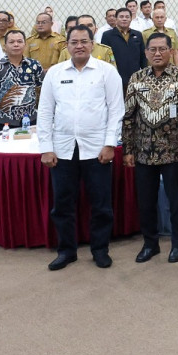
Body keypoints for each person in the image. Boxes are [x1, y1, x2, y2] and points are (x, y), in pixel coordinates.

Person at [37, 25, 124, 271]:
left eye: (84, 41)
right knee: (63, 204)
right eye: (74, 42)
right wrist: (46, 147)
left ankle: (100, 250)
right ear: (66, 45)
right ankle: (66, 251)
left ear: (92, 44)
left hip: (97, 149)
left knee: (101, 204)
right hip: (63, 149)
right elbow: (44, 112)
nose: (79, 46)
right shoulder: (54, 73)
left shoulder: (107, 72)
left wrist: (110, 144)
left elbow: (116, 111)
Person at [122, 32, 178, 264]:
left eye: (163, 49)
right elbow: (129, 116)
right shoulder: (137, 78)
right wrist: (129, 150)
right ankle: (150, 244)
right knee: (146, 201)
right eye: (153, 49)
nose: (157, 53)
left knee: (176, 201)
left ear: (172, 51)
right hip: (143, 152)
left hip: (174, 152)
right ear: (146, 53)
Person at [0, 30, 44, 129]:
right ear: (5, 46)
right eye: (12, 42)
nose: (16, 44)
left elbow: (41, 91)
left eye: (19, 41)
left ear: (25, 45)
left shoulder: (35, 65)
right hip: (3, 122)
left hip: (31, 120)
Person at [102, 7, 146, 89]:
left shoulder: (138, 35)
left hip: (136, 77)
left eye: (127, 17)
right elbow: (105, 57)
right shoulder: (107, 35)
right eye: (121, 17)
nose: (124, 19)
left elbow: (143, 57)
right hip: (116, 76)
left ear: (131, 19)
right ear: (116, 19)